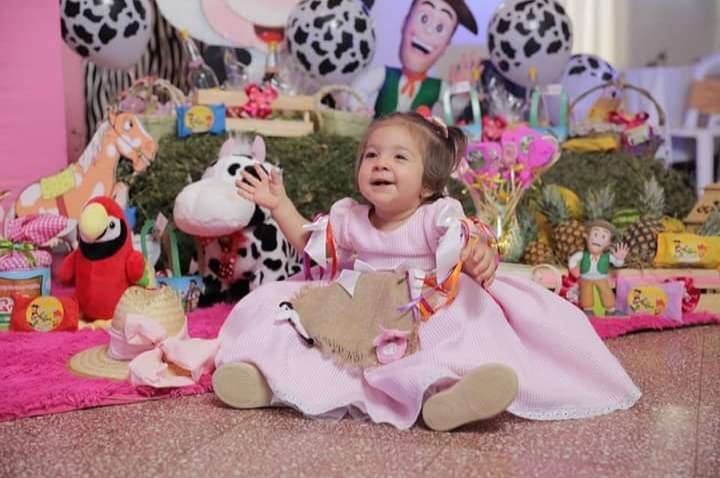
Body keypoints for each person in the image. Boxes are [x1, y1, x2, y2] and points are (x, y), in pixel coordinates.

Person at [212, 112, 641, 431]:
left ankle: (447, 394)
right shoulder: (350, 217)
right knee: (296, 325)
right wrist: (279, 205)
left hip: (421, 305)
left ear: (428, 184)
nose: (381, 163)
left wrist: (475, 254)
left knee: (452, 333)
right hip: (357, 308)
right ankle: (267, 380)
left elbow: (463, 241)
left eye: (399, 157)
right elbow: (312, 245)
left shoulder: (435, 215)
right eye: (371, 155)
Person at [352, 0, 480, 118]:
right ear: (404, 23)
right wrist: (359, 108)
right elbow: (356, 91)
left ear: (446, 46)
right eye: (423, 18)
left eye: (440, 28)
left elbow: (455, 111)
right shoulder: (384, 74)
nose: (428, 30)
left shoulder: (438, 87)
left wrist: (461, 92)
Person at [568, 221, 629, 317]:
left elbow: (617, 264)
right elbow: (573, 260)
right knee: (586, 294)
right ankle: (588, 311)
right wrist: (574, 269)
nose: (598, 239)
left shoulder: (607, 256)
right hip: (585, 279)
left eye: (603, 236)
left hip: (602, 279)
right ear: (587, 237)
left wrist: (619, 259)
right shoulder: (582, 255)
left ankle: (611, 310)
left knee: (606, 293)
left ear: (608, 243)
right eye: (595, 234)